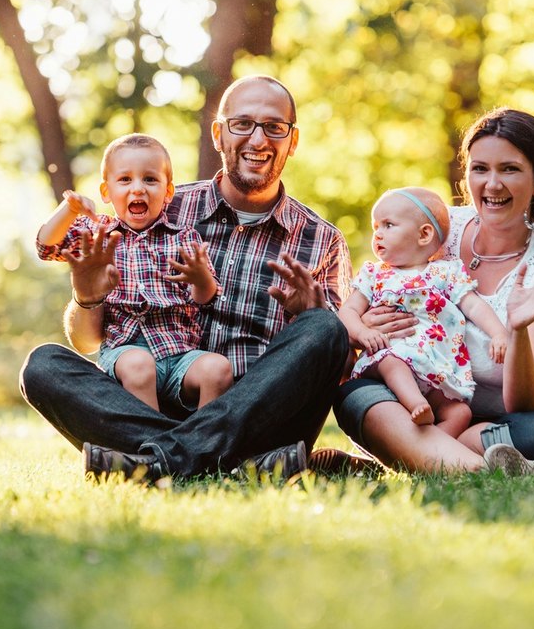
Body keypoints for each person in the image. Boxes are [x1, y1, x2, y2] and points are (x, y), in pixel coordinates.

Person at [19, 75, 354, 483]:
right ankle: (225, 466)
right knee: (42, 366)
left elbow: (337, 370)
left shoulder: (323, 240)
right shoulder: (160, 207)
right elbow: (89, 343)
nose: (258, 139)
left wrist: (310, 315)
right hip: (152, 405)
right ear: (218, 133)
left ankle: (155, 462)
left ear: (292, 140)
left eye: (274, 127)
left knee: (325, 327)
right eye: (242, 123)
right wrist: (87, 295)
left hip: (259, 421)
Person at [334, 108, 534, 475]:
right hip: (415, 403)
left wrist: (515, 330)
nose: (492, 184)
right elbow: (379, 288)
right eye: (480, 168)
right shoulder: (439, 229)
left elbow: (526, 403)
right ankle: (477, 465)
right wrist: (369, 323)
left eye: (510, 169)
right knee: (355, 395)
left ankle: (430, 455)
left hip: (498, 422)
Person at [35, 133, 233, 412]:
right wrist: (69, 209)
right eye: (125, 179)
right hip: (125, 351)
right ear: (106, 192)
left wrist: (203, 281)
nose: (138, 188)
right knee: (139, 366)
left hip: (180, 354)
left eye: (150, 179)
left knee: (218, 368)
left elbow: (204, 298)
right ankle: (149, 446)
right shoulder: (97, 234)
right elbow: (46, 246)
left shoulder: (183, 237)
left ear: (168, 191)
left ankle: (204, 447)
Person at [337, 186, 508, 438]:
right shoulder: (375, 275)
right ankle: (415, 403)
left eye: (388, 225)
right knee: (393, 362)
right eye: (375, 227)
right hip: (390, 355)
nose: (378, 235)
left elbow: (473, 305)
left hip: (435, 367)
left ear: (424, 234)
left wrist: (498, 333)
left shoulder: (446, 273)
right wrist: (362, 331)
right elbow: (348, 310)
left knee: (460, 413)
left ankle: (435, 454)